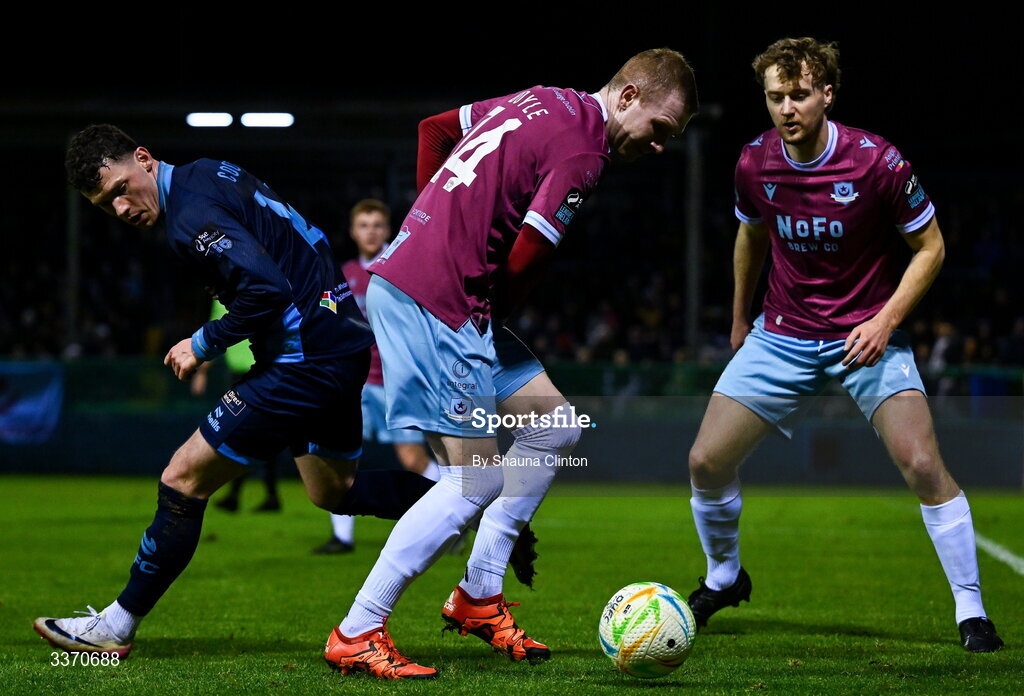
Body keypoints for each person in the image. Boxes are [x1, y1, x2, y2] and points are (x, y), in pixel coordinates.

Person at [324, 49, 699, 679]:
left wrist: (435, 222)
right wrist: (449, 253)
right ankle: (358, 628)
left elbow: (435, 131)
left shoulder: (541, 97)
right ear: (629, 96)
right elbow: (526, 259)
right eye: (659, 129)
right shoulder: (586, 152)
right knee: (476, 480)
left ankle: (477, 595)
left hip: (433, 286)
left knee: (554, 427)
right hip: (437, 300)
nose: (658, 145)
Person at [34, 125, 437, 658]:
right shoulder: (207, 172)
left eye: (120, 190)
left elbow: (265, 292)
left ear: (143, 158)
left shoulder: (189, 218)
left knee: (182, 477)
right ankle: (475, 506)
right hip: (338, 343)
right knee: (334, 491)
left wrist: (202, 342)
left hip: (303, 358)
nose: (122, 209)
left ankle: (116, 624)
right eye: (106, 206)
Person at [684, 37, 1003, 653]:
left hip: (866, 333)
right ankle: (724, 577)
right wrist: (738, 318)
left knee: (920, 464)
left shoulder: (878, 163)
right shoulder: (754, 162)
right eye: (775, 96)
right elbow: (749, 236)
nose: (786, 108)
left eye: (798, 94)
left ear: (827, 93)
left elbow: (931, 249)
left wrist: (884, 322)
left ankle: (972, 611)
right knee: (705, 461)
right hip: (781, 335)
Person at [313, 199, 441, 554]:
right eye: (364, 225)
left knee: (412, 458)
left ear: (389, 230)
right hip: (354, 381)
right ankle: (342, 538)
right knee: (342, 457)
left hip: (397, 380)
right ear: (353, 231)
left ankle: (456, 517)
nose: (370, 231)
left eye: (377, 225)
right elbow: (330, 317)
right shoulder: (344, 273)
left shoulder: (402, 267)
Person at [191, 300, 282, 513]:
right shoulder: (219, 295)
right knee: (249, 433)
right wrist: (202, 372)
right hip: (237, 371)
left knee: (254, 432)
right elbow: (213, 333)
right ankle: (263, 496)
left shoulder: (256, 286)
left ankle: (254, 495)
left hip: (262, 369)